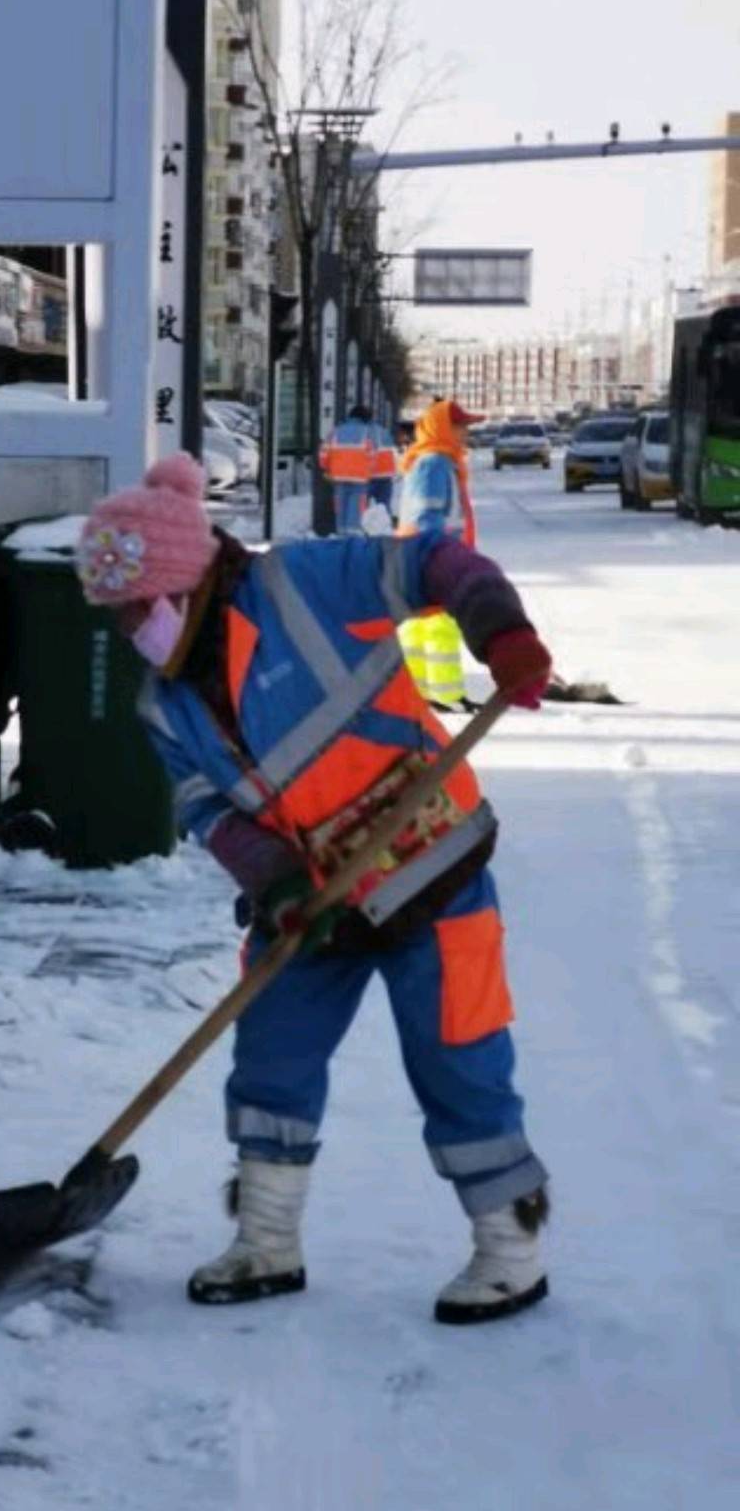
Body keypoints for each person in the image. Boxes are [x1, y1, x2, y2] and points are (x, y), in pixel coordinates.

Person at [75, 453, 554, 1325]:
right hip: (314, 897)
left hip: (429, 864)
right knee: (271, 1058)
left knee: (459, 1059)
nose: (129, 628)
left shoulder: (305, 584)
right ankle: (266, 1240)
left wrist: (501, 631)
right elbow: (204, 805)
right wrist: (274, 879)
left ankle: (510, 1250)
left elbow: (440, 562)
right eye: (117, 614)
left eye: (138, 608)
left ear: (189, 580)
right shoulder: (162, 701)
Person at [396, 399, 481, 712]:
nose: (465, 433)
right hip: (434, 553)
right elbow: (427, 513)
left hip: (422, 553)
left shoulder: (435, 461)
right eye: (460, 426)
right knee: (441, 624)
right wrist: (441, 555)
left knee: (421, 625)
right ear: (444, 428)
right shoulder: (435, 464)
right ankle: (446, 694)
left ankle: (419, 692)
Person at [318, 403, 376, 534]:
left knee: (341, 510)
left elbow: (324, 453)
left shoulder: (335, 431)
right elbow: (372, 456)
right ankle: (352, 541)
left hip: (338, 478)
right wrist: (369, 473)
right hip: (360, 480)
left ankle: (341, 538)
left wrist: (326, 468)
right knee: (355, 511)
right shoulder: (367, 432)